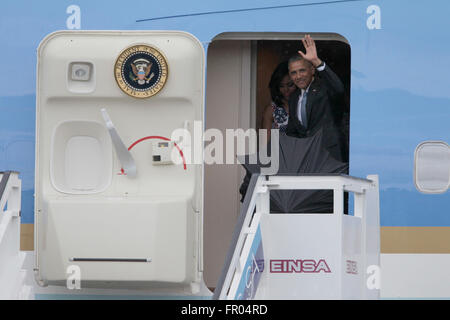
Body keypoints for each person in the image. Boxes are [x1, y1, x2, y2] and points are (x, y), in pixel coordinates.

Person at [286, 35, 346, 162]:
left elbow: (339, 89)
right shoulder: (293, 98)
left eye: (302, 71)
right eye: (294, 73)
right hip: (307, 158)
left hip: (329, 155)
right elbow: (292, 131)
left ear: (312, 70)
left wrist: (317, 61)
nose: (298, 76)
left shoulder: (324, 88)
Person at [262, 61, 296, 141]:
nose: (286, 90)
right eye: (281, 86)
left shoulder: (307, 106)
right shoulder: (271, 110)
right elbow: (265, 145)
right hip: (280, 153)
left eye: (290, 85)